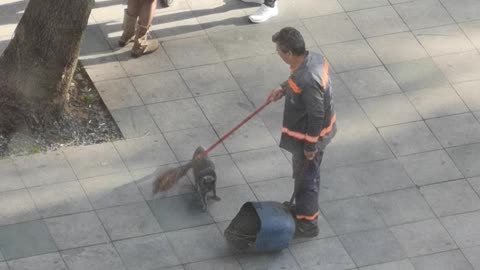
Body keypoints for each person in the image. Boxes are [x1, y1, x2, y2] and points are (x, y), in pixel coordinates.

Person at [266, 27, 336, 238]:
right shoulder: (312, 59)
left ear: (288, 53)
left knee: (307, 179)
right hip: (311, 135)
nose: (278, 54)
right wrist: (284, 87)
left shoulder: (308, 78)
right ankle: (304, 211)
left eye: (278, 51)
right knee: (305, 177)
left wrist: (310, 147)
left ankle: (307, 223)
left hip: (309, 138)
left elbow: (316, 114)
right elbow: (298, 80)